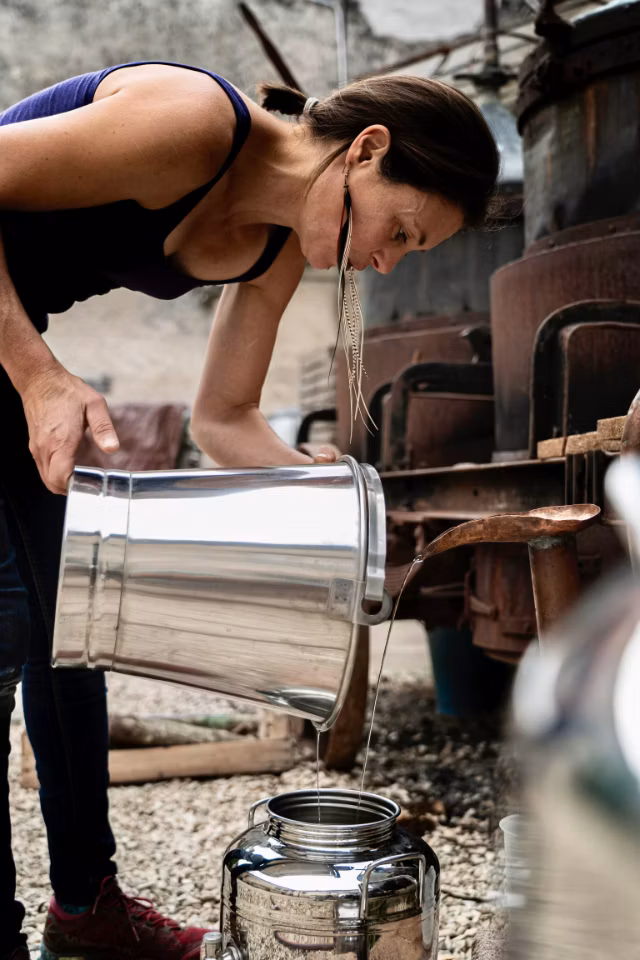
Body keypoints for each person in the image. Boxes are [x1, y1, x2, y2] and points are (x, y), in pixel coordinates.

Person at [0, 60, 499, 960]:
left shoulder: (273, 246)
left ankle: (86, 911)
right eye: (399, 230)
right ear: (367, 150)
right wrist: (40, 377)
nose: (382, 262)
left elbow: (223, 420)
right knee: (3, 629)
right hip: (11, 351)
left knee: (74, 632)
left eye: (405, 256)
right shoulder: (189, 122)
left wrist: (338, 509)